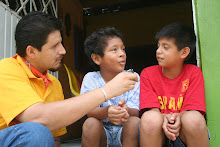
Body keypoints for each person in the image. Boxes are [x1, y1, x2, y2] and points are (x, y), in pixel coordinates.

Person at [0, 12, 138, 147]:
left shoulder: (54, 84)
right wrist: (108, 90)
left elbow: (54, 139)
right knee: (36, 132)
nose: (63, 51)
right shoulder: (6, 69)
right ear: (31, 52)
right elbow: (37, 118)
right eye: (55, 46)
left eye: (61, 43)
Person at [140, 23, 209, 147]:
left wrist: (177, 117)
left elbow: (191, 110)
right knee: (150, 118)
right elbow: (153, 111)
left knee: (194, 118)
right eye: (158, 46)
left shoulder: (193, 72)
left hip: (184, 132)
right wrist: (166, 118)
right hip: (159, 134)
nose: (158, 51)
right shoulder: (148, 74)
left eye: (165, 47)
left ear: (183, 52)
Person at [80, 27, 140, 147]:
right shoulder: (91, 78)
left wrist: (125, 110)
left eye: (123, 49)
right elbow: (90, 111)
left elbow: (136, 111)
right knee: (90, 123)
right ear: (97, 58)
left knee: (134, 122)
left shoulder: (132, 77)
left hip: (125, 130)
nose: (122, 54)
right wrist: (108, 111)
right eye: (114, 50)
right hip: (102, 131)